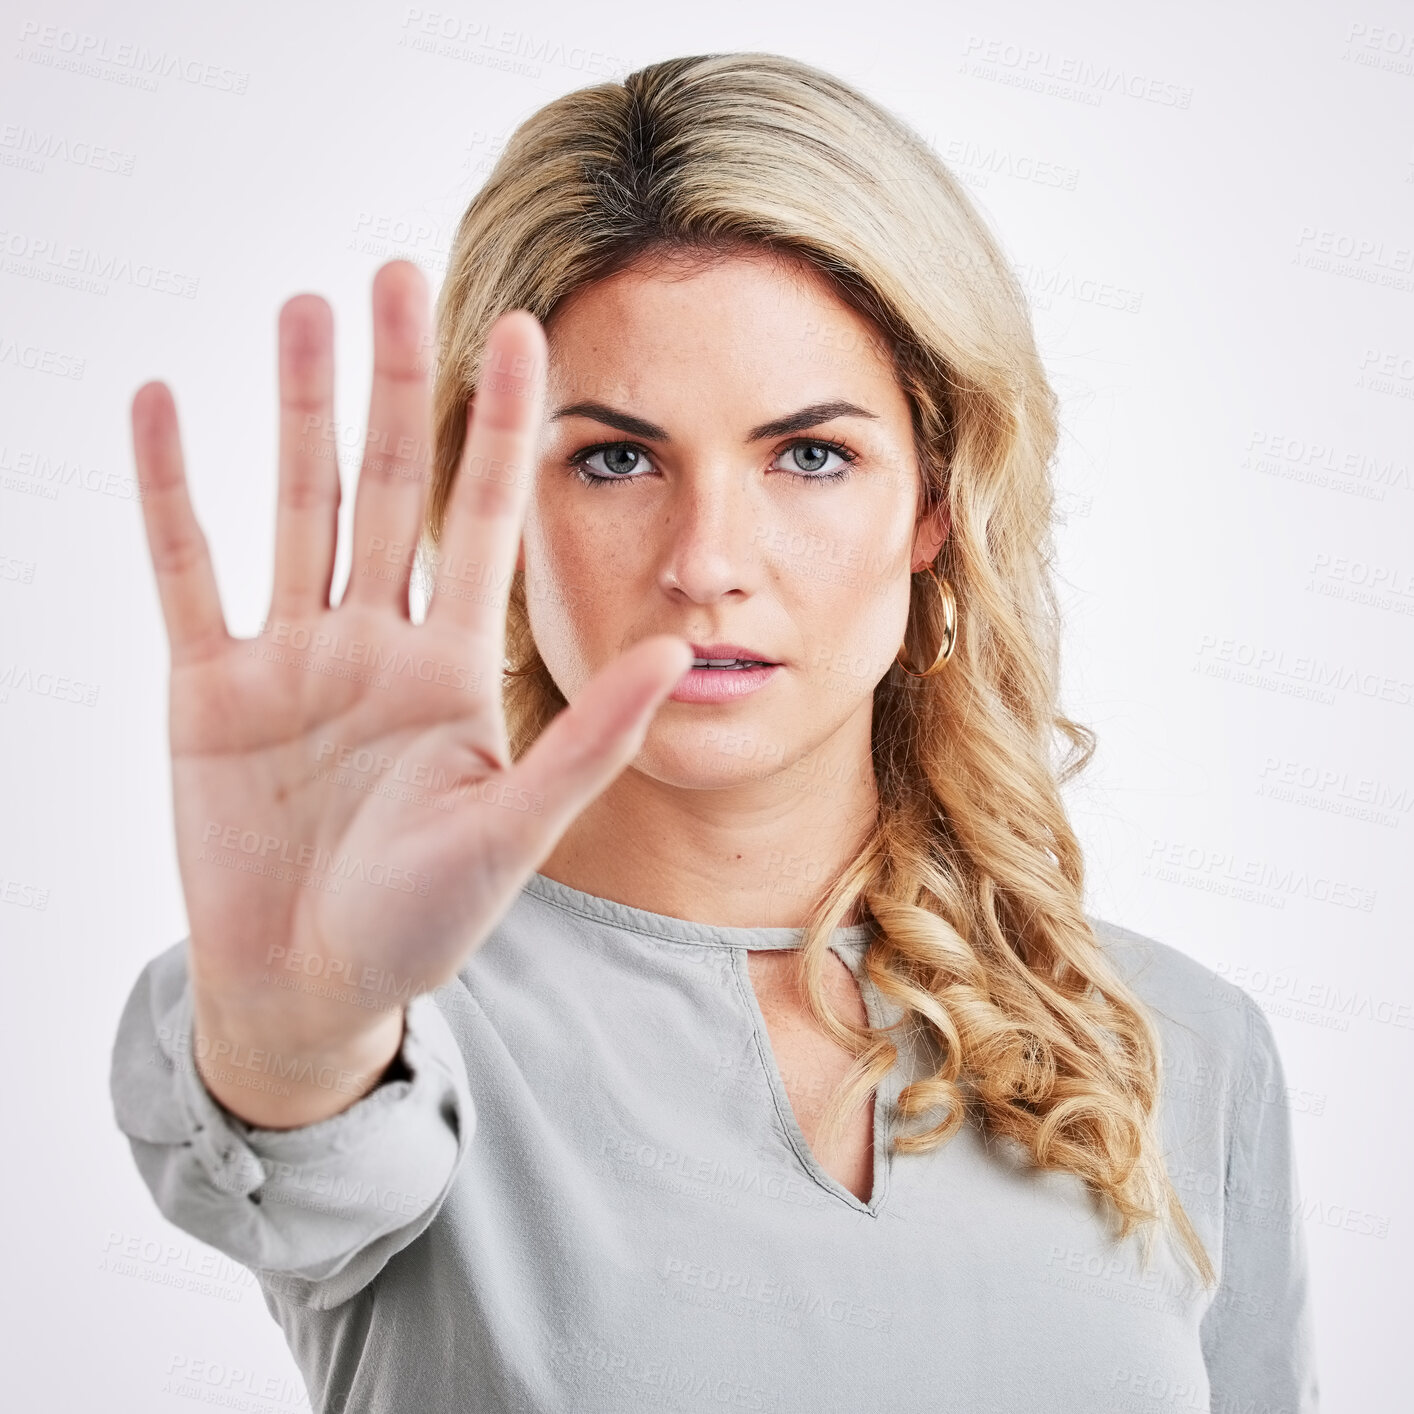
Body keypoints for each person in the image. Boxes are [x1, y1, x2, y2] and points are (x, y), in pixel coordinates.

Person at [109, 51, 1318, 1413]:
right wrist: (294, 1030)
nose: (707, 561)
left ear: (932, 497)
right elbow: (292, 1125)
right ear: (502, 507)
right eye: (616, 458)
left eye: (808, 453)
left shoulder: (1179, 1047)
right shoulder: (397, 1012)